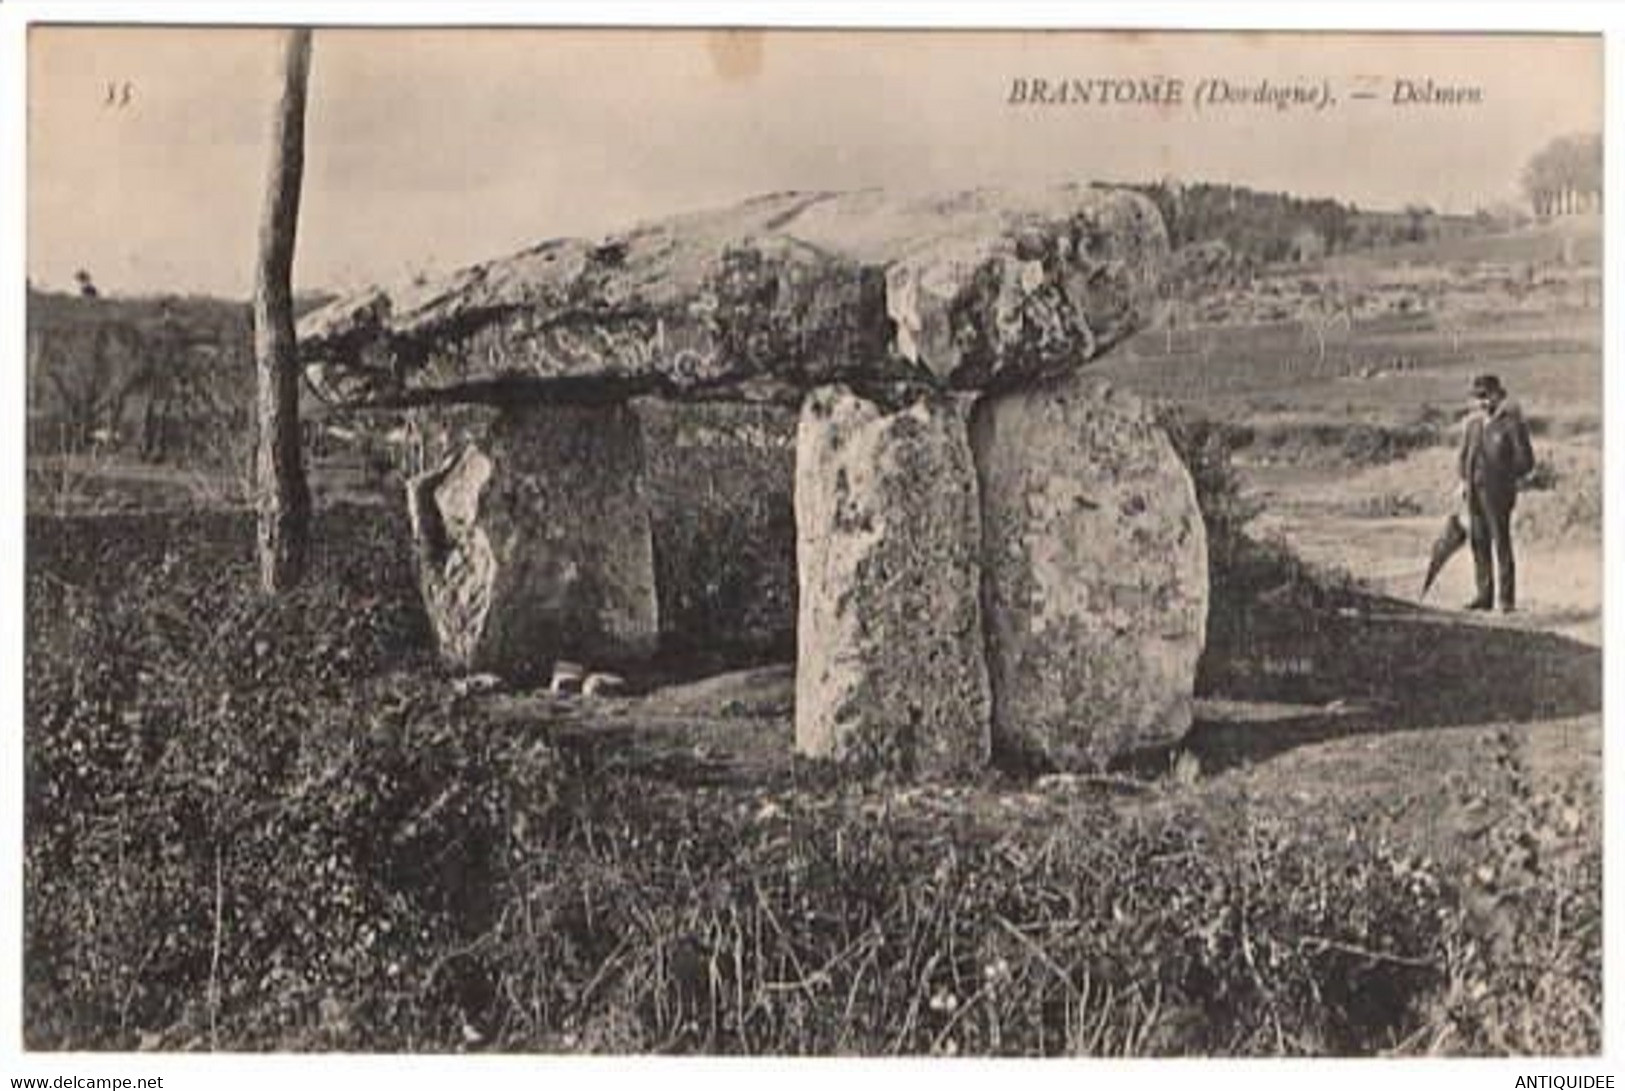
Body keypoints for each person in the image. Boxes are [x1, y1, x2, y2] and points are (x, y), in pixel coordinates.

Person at [1458, 373, 1535, 612]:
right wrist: (1463, 481)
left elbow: (1526, 462)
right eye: (1477, 398)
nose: (1482, 403)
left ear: (1497, 395)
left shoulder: (1511, 424)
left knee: (1501, 544)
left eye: (1485, 397)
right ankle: (1484, 596)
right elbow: (1463, 459)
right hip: (1474, 493)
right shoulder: (1472, 425)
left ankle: (1506, 600)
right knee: (1478, 544)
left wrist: (1503, 478)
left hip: (1499, 495)